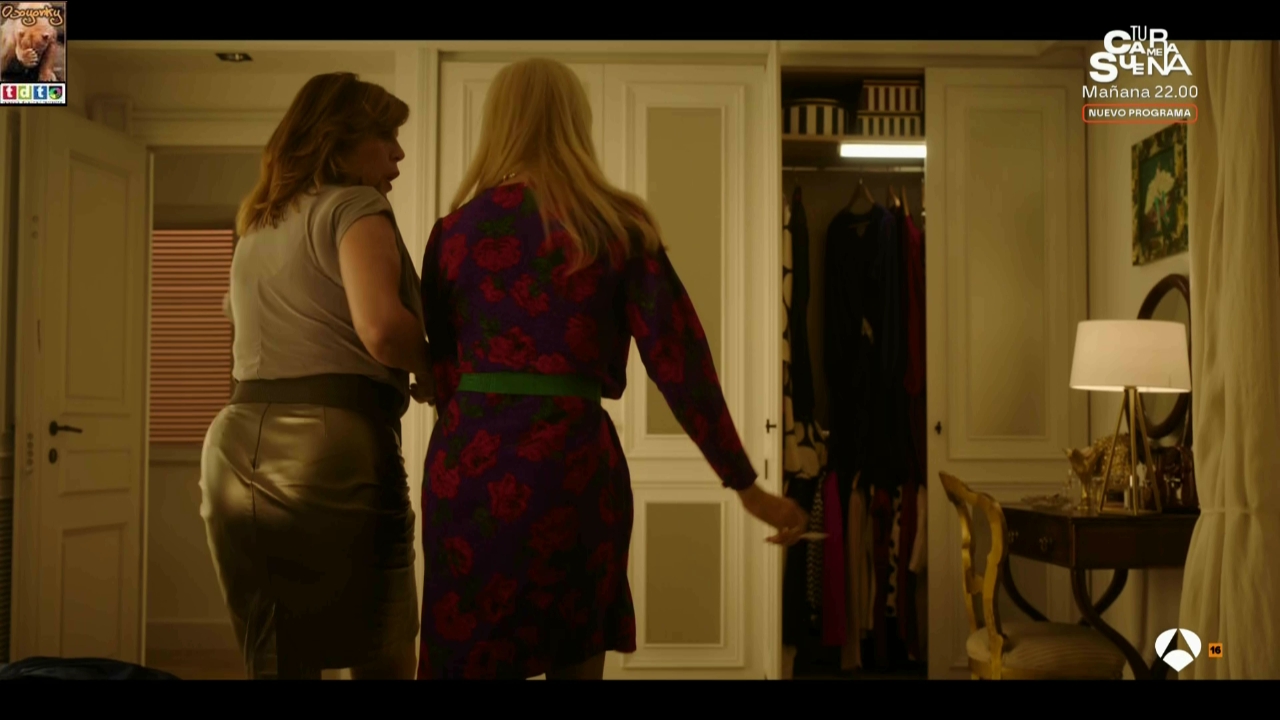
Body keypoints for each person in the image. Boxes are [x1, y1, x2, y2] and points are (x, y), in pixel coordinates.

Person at [416, 57, 809, 680]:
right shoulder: (616, 228)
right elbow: (681, 362)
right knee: (574, 652)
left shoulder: (454, 233)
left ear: (499, 123)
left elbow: (440, 368)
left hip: (468, 468)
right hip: (571, 468)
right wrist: (745, 484)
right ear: (578, 123)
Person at [200, 72, 434, 680]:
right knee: (380, 648)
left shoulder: (258, 223)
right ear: (339, 140)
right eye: (385, 136)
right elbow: (381, 328)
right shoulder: (355, 204)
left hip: (233, 451)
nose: (398, 153)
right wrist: (435, 370)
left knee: (278, 656)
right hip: (331, 452)